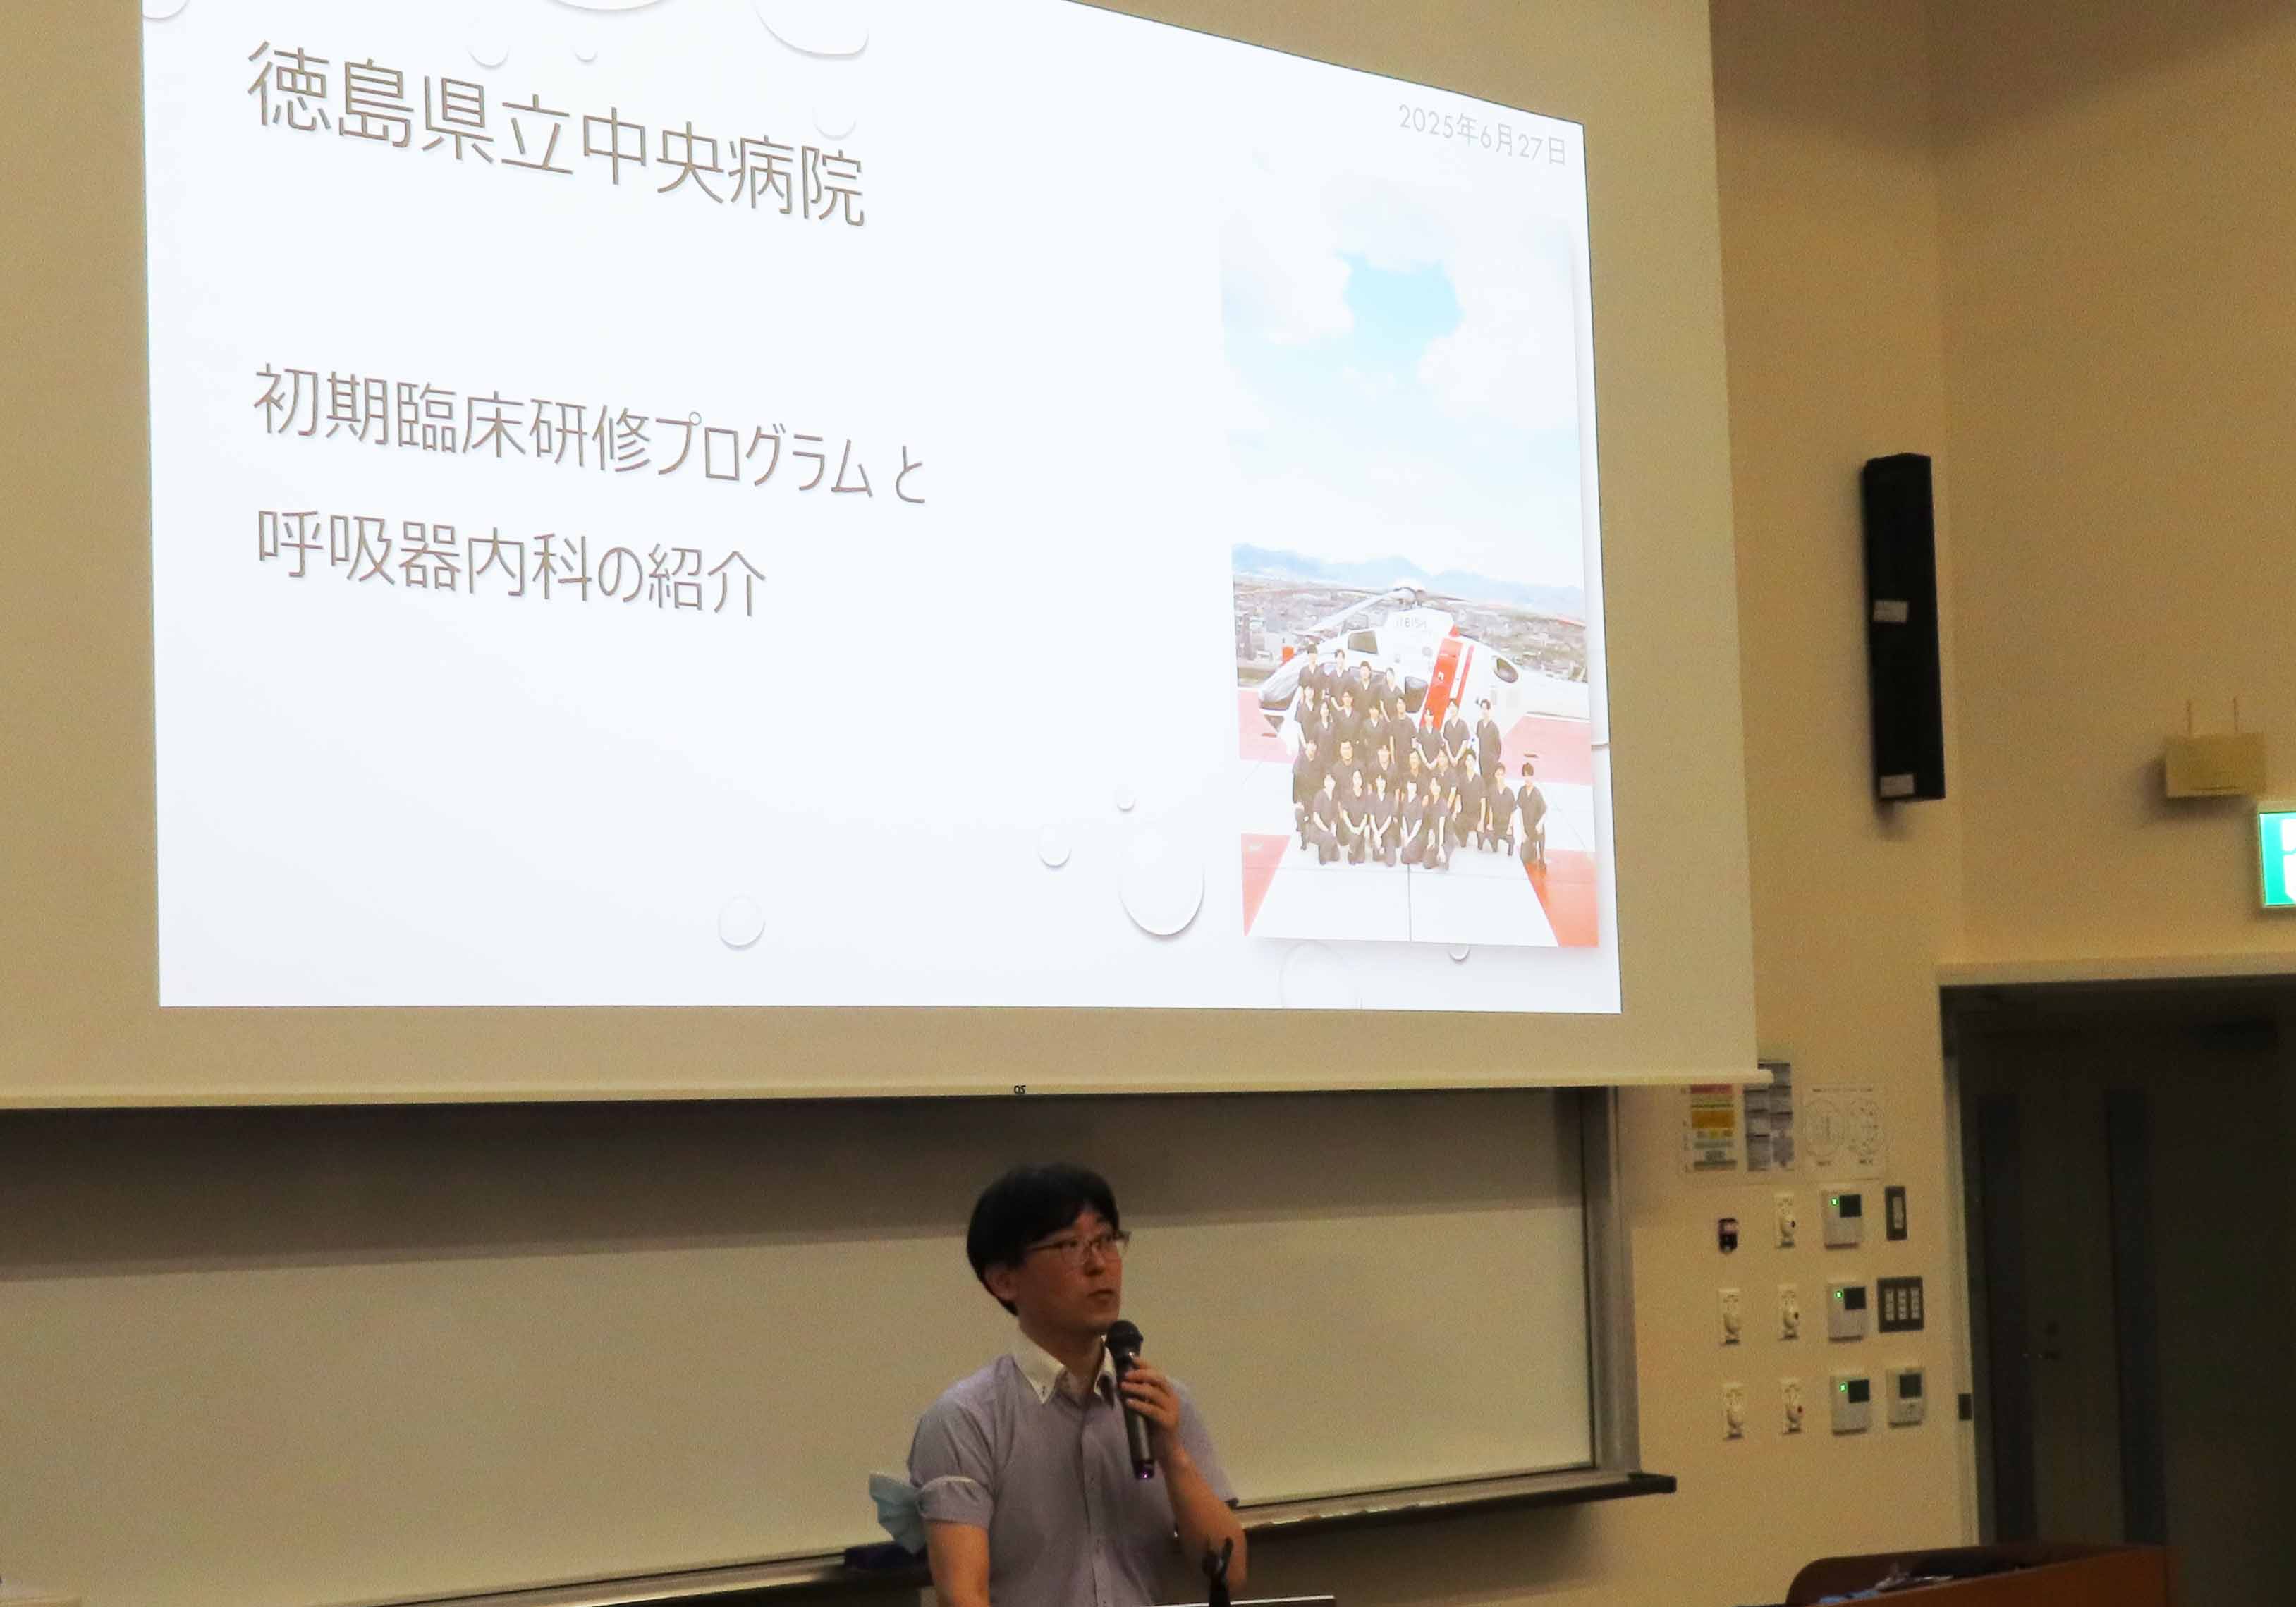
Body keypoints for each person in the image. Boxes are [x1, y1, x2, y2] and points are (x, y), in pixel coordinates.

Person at [909, 1165, 1245, 1607]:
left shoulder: (1160, 1402)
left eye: (1106, 1240)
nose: (1099, 1264)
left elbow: (1230, 1576)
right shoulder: (965, 1420)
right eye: (1070, 1246)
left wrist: (1173, 1453)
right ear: (1004, 1280)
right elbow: (963, 1598)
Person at [1290, 738, 1324, 850]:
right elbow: (1296, 784)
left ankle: (1310, 826)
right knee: (1299, 813)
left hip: (1315, 798)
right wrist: (1298, 801)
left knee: (1315, 825)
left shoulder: (1320, 760)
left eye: (1315, 745)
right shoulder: (1300, 760)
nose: (1312, 747)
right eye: (1310, 744)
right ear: (1307, 745)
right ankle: (1303, 836)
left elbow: (1323, 782)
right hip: (1303, 797)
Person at [1518, 758, 1549, 871]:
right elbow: (1520, 812)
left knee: (1541, 831)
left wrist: (1540, 823)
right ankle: (1532, 850)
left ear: (1532, 777)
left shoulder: (1537, 793)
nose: (1527, 778)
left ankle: (1541, 855)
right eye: (1525, 776)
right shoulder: (1522, 791)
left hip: (1536, 829)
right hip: (1527, 830)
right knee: (1524, 858)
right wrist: (1522, 832)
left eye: (1529, 776)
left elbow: (1545, 811)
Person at [1338, 769, 1372, 866]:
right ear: (1352, 780)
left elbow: (1366, 817)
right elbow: (1345, 815)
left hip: (1360, 828)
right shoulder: (1347, 794)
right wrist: (1352, 829)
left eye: (1359, 778)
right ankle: (1351, 852)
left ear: (1362, 780)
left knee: (1361, 860)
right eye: (1355, 778)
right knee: (1354, 837)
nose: (1357, 781)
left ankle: (1358, 843)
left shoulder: (1366, 795)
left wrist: (1360, 829)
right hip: (1349, 827)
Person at [1480, 764, 1516, 855]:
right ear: (1495, 776)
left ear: (1504, 775)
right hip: (1495, 824)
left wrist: (1509, 827)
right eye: (1498, 775)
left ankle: (1510, 848)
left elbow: (1512, 812)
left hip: (1505, 825)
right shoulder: (1492, 790)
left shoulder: (1509, 792)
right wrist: (1490, 823)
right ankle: (1494, 843)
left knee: (1511, 841)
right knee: (1490, 837)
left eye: (1502, 774)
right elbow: (1491, 809)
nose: (1500, 777)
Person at [1307, 772, 1341, 864]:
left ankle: (1326, 844)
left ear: (1335, 783)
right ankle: (1322, 855)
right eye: (1327, 781)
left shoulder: (1334, 796)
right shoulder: (1320, 795)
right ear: (1325, 782)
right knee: (1328, 837)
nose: (1330, 783)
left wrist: (1333, 830)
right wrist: (1326, 830)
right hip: (1317, 829)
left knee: (1336, 857)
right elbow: (1316, 817)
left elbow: (1335, 817)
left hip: (1328, 829)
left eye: (1332, 781)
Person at [1369, 772, 1398, 867]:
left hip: (1388, 831)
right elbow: (1372, 819)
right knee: (1376, 857)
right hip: (1376, 830)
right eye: (1379, 780)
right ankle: (1381, 850)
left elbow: (1389, 819)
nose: (1381, 783)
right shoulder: (1372, 797)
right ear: (1376, 782)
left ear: (1386, 783)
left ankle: (1386, 849)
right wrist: (1377, 834)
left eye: (1383, 781)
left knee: (1391, 862)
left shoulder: (1390, 797)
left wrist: (1380, 833)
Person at [1457, 764, 1487, 854]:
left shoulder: (1480, 780)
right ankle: (1463, 837)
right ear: (1466, 763)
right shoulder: (1461, 778)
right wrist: (1455, 811)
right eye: (1468, 760)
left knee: (1481, 836)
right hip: (1464, 813)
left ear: (1474, 763)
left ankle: (1480, 839)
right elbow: (1458, 796)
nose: (1469, 762)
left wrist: (1481, 821)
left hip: (1476, 814)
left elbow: (1483, 802)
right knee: (1456, 821)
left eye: (1471, 760)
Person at [1398, 778, 1429, 867]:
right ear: (1407, 786)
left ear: (1416, 788)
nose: (1412, 788)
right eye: (1410, 785)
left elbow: (1419, 823)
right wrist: (1405, 835)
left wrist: (1409, 838)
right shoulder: (1406, 798)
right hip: (1408, 831)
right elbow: (1404, 818)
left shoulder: (1418, 801)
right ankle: (1412, 853)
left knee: (1409, 854)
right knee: (1403, 859)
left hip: (1417, 833)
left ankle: (1419, 854)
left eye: (1414, 786)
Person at [1474, 699, 1504, 779]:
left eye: (1486, 709)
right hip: (1482, 759)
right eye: (1482, 708)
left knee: (1490, 781)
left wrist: (1494, 759)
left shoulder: (1494, 727)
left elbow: (1498, 746)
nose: (1484, 711)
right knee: (1483, 780)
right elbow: (1479, 737)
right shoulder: (1479, 724)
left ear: (1489, 710)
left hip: (1491, 761)